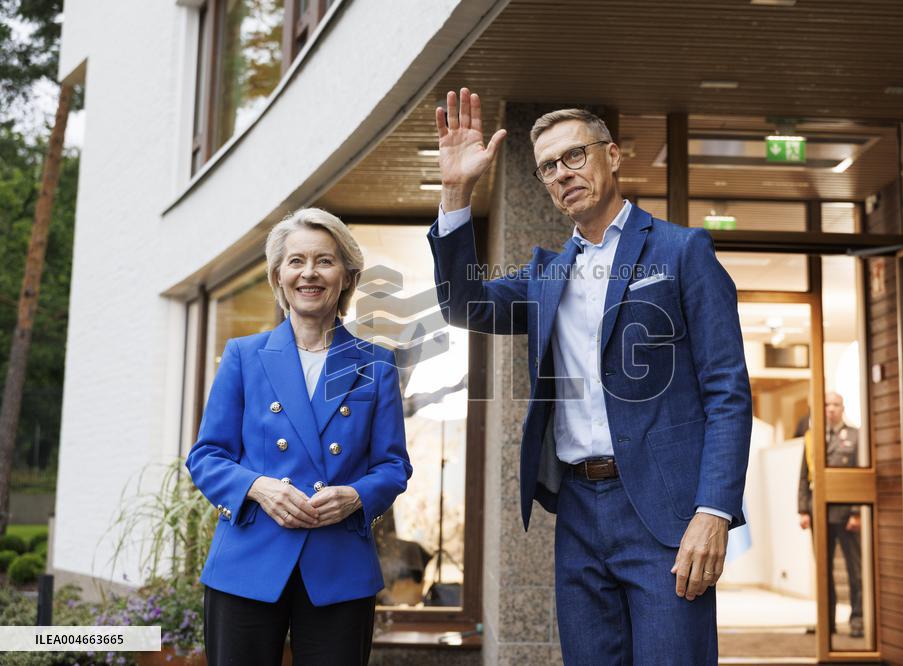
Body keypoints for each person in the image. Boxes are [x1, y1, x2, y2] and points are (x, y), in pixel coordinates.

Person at [427, 88, 752, 665]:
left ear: (614, 155)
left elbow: (727, 392)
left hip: (664, 512)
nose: (562, 174)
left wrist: (714, 511)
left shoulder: (683, 252)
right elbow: (463, 306)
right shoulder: (547, 276)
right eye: (548, 167)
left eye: (574, 155)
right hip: (578, 510)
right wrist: (457, 192)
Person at [186, 208, 412, 666]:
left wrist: (355, 494)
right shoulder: (244, 356)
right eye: (296, 262)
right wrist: (256, 486)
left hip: (338, 566)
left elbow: (393, 466)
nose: (309, 273)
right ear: (278, 276)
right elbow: (207, 455)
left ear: (347, 276)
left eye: (324, 261)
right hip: (248, 561)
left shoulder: (377, 363)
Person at [797, 391, 863, 638]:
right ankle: (827, 622)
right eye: (826, 404)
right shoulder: (812, 437)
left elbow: (859, 474)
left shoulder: (856, 436)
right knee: (823, 571)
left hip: (847, 514)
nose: (831, 409)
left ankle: (858, 620)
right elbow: (804, 476)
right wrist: (804, 509)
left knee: (855, 571)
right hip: (819, 513)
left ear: (842, 407)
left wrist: (857, 512)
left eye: (835, 404)